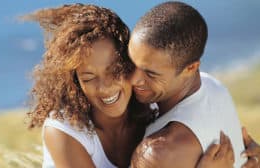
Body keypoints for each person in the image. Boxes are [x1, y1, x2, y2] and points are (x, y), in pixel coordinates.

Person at [23, 3, 237, 168]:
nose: (105, 87)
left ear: (128, 61)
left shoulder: (150, 101)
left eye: (114, 70)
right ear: (75, 82)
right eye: (88, 78)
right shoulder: (65, 131)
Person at [127, 1, 260, 168]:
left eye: (150, 73)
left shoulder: (160, 152)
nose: (133, 80)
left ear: (191, 68)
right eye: (131, 62)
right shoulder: (214, 86)